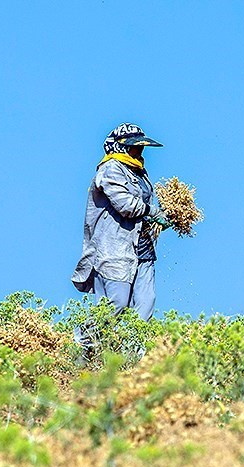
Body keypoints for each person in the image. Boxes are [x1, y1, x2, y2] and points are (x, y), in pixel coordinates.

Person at [70, 122, 171, 335]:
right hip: (114, 249)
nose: (139, 150)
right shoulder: (110, 169)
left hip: (142, 248)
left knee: (146, 303)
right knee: (115, 304)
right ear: (122, 147)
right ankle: (83, 347)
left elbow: (142, 207)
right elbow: (124, 205)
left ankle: (134, 360)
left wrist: (164, 216)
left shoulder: (140, 173)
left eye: (141, 147)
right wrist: (154, 213)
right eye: (135, 146)